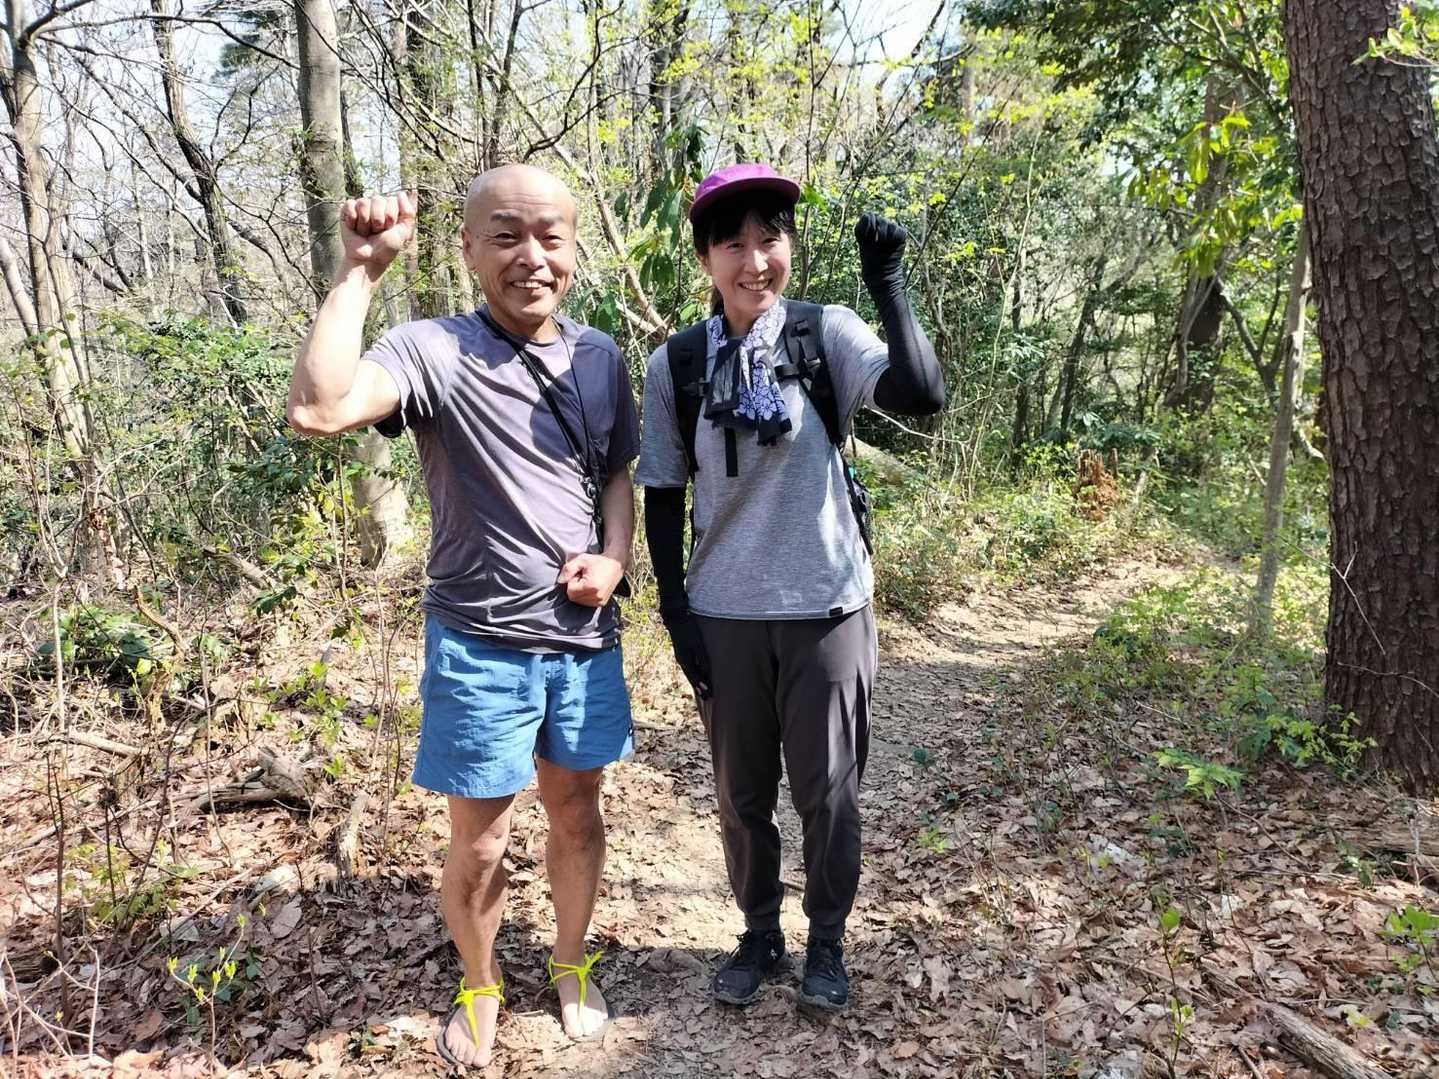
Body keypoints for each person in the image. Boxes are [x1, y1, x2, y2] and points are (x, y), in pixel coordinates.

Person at [286, 164, 638, 1068]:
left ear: (574, 247)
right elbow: (318, 407)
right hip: (479, 645)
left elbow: (613, 474)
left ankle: (570, 960)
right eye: (507, 236)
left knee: (577, 814)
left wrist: (614, 556)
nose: (532, 257)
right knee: (481, 845)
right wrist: (359, 270)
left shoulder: (599, 357)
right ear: (470, 249)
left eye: (550, 236)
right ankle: (480, 983)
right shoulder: (431, 349)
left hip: (582, 642)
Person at [635, 163, 945, 1012]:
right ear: (705, 258)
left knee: (828, 794)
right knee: (741, 799)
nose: (754, 260)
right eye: (732, 244)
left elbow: (922, 394)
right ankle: (759, 933)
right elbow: (662, 493)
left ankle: (827, 942)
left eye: (769, 239)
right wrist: (675, 616)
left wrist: (888, 284)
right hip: (723, 615)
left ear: (790, 246)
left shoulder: (823, 333)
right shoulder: (678, 364)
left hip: (827, 608)